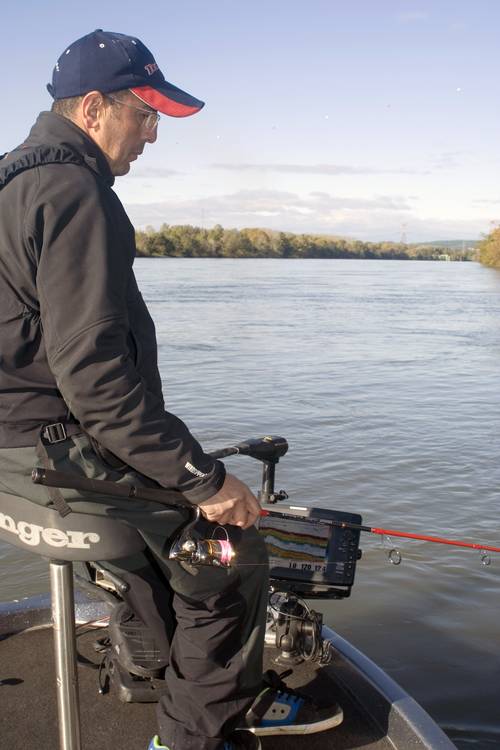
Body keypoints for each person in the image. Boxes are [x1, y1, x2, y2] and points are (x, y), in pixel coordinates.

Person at [0, 29, 341, 750]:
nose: (152, 135)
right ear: (93, 108)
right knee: (231, 560)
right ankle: (192, 737)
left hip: (14, 459)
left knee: (156, 557)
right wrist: (205, 479)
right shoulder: (76, 192)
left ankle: (149, 671)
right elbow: (95, 380)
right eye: (144, 114)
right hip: (58, 456)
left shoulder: (11, 179)